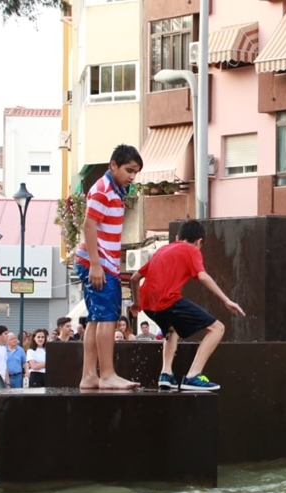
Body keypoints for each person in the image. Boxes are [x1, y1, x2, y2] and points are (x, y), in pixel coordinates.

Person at [130, 219, 246, 391]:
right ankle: (193, 376)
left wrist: (136, 302)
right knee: (217, 328)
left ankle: (166, 374)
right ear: (199, 242)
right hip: (168, 301)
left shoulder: (163, 249)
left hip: (148, 304)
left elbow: (134, 278)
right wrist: (226, 299)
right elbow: (202, 276)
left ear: (178, 237)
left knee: (172, 330)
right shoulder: (192, 250)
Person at [75, 144, 143, 390]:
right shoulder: (103, 189)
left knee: (96, 319)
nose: (132, 176)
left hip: (102, 262)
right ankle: (106, 374)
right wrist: (95, 264)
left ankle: (89, 375)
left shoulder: (113, 190)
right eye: (129, 170)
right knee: (107, 318)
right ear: (113, 165)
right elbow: (88, 225)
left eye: (136, 172)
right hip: (99, 263)